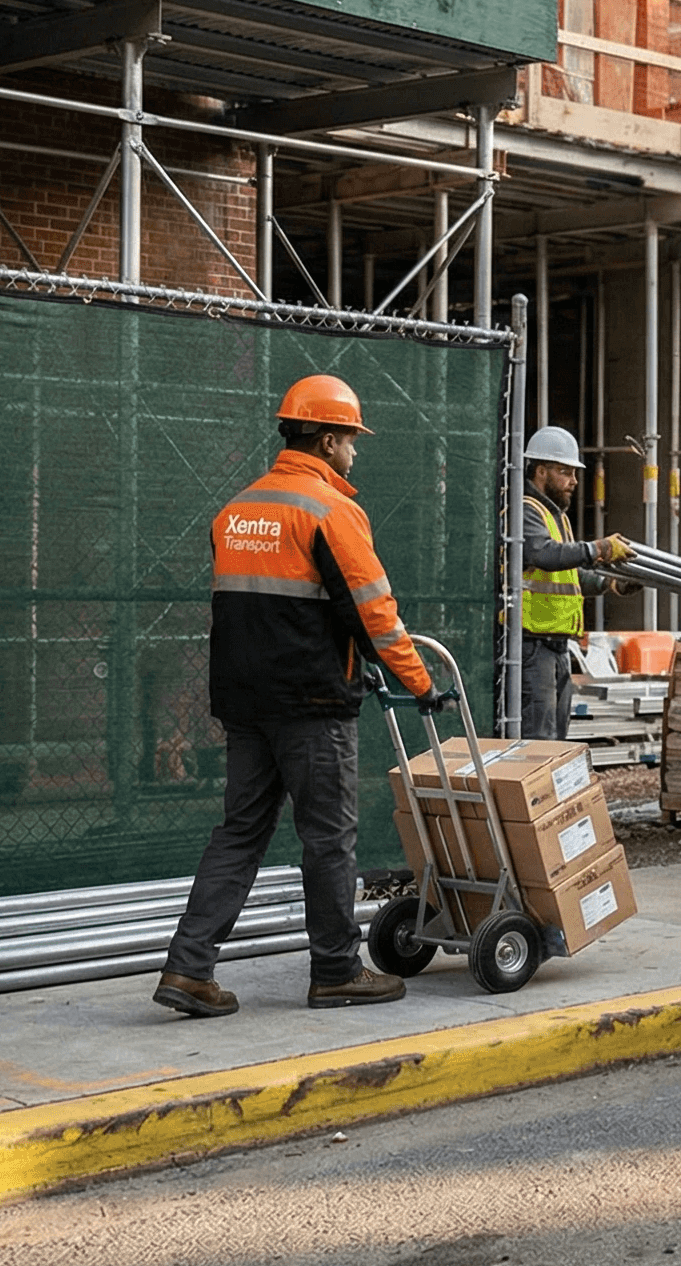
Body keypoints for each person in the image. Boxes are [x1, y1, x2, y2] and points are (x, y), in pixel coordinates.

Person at [156, 376, 443, 1018]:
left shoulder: (235, 510)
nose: (356, 454)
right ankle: (337, 969)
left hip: (243, 704)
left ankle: (188, 967)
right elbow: (374, 613)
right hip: (311, 706)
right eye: (352, 441)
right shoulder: (330, 511)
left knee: (239, 833)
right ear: (329, 437)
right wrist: (422, 683)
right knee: (328, 837)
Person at [521, 426, 630, 741]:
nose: (574, 481)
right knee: (539, 739)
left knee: (556, 736)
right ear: (541, 471)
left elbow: (568, 575)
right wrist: (596, 549)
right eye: (565, 472)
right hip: (533, 643)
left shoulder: (557, 517)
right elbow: (544, 554)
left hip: (555, 644)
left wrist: (612, 585)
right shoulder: (527, 510)